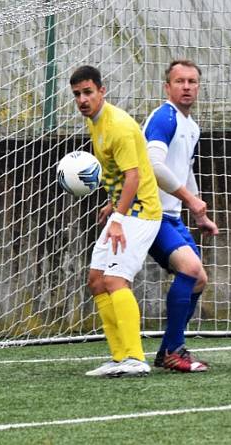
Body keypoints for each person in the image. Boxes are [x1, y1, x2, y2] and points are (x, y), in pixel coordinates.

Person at [72, 66, 162, 377]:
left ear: (101, 91)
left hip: (142, 212)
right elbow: (118, 173)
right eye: (77, 95)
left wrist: (118, 217)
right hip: (123, 211)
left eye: (88, 92)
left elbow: (134, 175)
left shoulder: (119, 126)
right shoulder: (94, 122)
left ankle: (136, 358)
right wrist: (111, 204)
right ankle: (119, 356)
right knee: (96, 280)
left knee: (115, 280)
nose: (83, 99)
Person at [144, 60, 219, 372]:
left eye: (192, 81)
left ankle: (167, 352)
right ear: (168, 87)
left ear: (198, 87)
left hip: (172, 215)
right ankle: (174, 350)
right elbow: (153, 165)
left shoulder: (192, 125)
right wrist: (189, 198)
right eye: (179, 81)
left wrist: (198, 212)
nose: (186, 87)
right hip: (149, 213)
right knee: (190, 268)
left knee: (199, 279)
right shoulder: (164, 118)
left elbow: (184, 169)